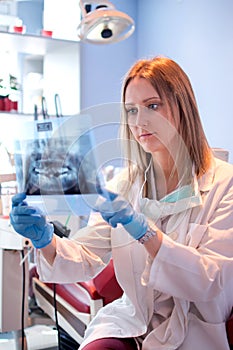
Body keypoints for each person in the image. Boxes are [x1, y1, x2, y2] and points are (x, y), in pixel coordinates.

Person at [10, 56, 233, 350]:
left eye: (153, 106)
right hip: (133, 322)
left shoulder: (223, 183)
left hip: (195, 332)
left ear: (182, 106)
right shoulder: (124, 186)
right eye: (131, 110)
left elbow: (210, 280)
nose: (140, 122)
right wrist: (45, 240)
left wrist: (146, 234)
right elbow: (87, 255)